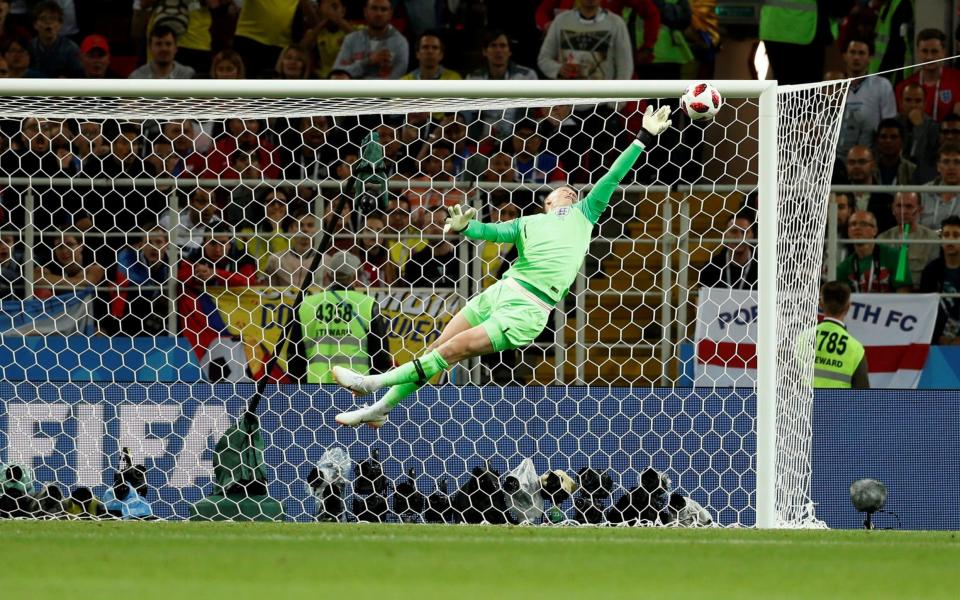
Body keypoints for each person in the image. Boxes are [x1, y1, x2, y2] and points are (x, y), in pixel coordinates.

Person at [333, 105, 672, 427]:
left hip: (528, 307)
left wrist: (643, 136)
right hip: (500, 292)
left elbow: (613, 175)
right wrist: (466, 226)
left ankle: (370, 383)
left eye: (573, 190)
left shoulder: (585, 214)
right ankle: (379, 410)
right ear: (547, 202)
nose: (569, 191)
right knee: (437, 349)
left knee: (452, 350)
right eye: (562, 191)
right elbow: (489, 232)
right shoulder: (527, 223)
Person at [299, 250, 391, 384]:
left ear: (328, 275)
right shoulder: (366, 304)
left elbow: (294, 357)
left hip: (315, 387)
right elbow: (381, 356)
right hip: (357, 387)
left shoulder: (307, 305)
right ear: (354, 276)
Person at [538, 0, 632, 80]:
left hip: (602, 99)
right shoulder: (561, 21)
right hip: (567, 98)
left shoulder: (616, 24)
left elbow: (625, 67)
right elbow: (543, 59)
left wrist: (617, 101)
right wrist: (558, 69)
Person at [810, 281, 869, 389]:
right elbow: (863, 396)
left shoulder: (802, 338)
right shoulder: (855, 348)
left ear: (821, 305)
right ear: (848, 307)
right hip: (839, 406)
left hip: (806, 405)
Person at [836, 210, 911, 293]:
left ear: (875, 230)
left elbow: (904, 293)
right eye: (853, 224)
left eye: (863, 224)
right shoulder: (843, 267)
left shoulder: (897, 257)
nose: (857, 228)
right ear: (848, 232)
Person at [894, 29, 960, 122]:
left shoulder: (957, 80)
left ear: (944, 52)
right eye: (925, 51)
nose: (929, 57)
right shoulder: (904, 87)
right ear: (918, 51)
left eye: (934, 51)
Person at [332, 0, 408, 80]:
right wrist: (368, 61)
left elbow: (394, 79)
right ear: (365, 12)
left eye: (384, 9)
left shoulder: (400, 43)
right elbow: (337, 73)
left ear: (390, 14)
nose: (379, 13)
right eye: (374, 8)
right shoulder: (351, 39)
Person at [877, 192, 939, 289]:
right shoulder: (882, 239)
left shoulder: (932, 239)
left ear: (920, 210)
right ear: (893, 209)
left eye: (909, 206)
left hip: (919, 295)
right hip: (888, 296)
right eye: (899, 206)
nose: (903, 211)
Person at [841, 39, 897, 142]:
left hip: (871, 151)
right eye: (852, 52)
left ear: (870, 58)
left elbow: (889, 124)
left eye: (861, 53)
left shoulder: (883, 85)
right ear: (845, 56)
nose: (856, 57)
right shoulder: (833, 86)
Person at [920, 215, 960, 345]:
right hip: (935, 339)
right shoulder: (930, 271)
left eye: (956, 235)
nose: (950, 239)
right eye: (946, 235)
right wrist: (938, 337)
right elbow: (925, 310)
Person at [697, 209, 758, 289]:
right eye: (733, 231)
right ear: (725, 235)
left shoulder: (762, 268)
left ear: (752, 236)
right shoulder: (710, 269)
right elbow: (701, 299)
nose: (739, 237)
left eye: (744, 232)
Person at [843, 145, 894, 232]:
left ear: (873, 165)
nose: (856, 166)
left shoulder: (887, 200)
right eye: (851, 162)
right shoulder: (838, 196)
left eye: (862, 162)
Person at [896, 83, 939, 183]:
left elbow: (919, 156)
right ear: (900, 103)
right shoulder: (894, 124)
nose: (913, 105)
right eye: (908, 100)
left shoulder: (933, 127)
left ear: (925, 104)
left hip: (924, 177)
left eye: (918, 101)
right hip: (898, 175)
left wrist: (919, 127)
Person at [29, 1, 82, 78]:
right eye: (43, 18)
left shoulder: (71, 49)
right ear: (35, 24)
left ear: (60, 25)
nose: (48, 22)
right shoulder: (29, 47)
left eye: (53, 18)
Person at [129, 24, 196, 79]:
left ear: (175, 48)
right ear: (150, 48)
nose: (164, 48)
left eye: (168, 44)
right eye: (158, 44)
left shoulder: (188, 75)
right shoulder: (137, 77)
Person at [919, 143, 960, 229]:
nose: (951, 167)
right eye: (946, 162)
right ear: (938, 166)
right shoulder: (922, 192)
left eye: (957, 162)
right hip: (926, 241)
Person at [873, 118, 916, 185]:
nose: (888, 141)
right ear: (877, 141)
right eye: (883, 137)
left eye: (893, 137)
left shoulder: (912, 170)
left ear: (902, 142)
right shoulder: (870, 168)